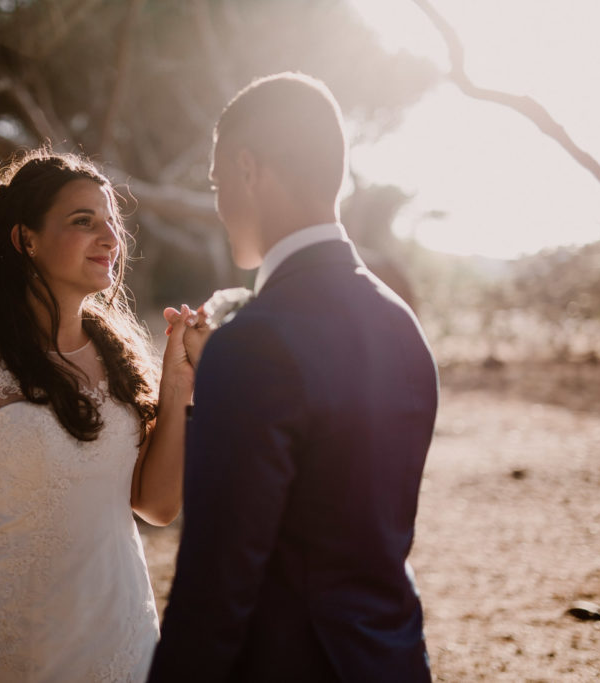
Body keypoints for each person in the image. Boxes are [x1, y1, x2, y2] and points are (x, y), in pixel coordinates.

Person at [149, 73, 439, 681]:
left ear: (248, 169)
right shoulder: (401, 324)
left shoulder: (253, 345)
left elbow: (214, 587)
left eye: (217, 180)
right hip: (392, 660)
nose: (219, 202)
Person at [0, 148, 194, 682]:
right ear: (25, 239)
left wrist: (175, 385)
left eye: (111, 224)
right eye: (84, 222)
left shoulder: (124, 361)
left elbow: (155, 505)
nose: (110, 239)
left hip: (121, 634)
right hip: (15, 642)